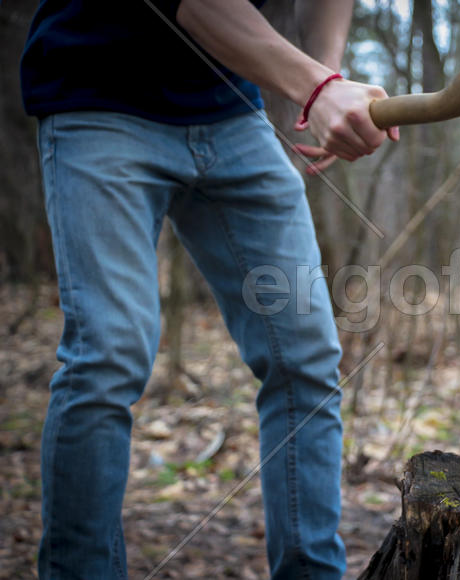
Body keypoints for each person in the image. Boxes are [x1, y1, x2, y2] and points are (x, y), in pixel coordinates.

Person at [20, 0, 397, 578]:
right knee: (108, 355)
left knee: (307, 357)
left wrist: (327, 77)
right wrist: (316, 86)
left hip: (230, 111)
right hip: (96, 94)